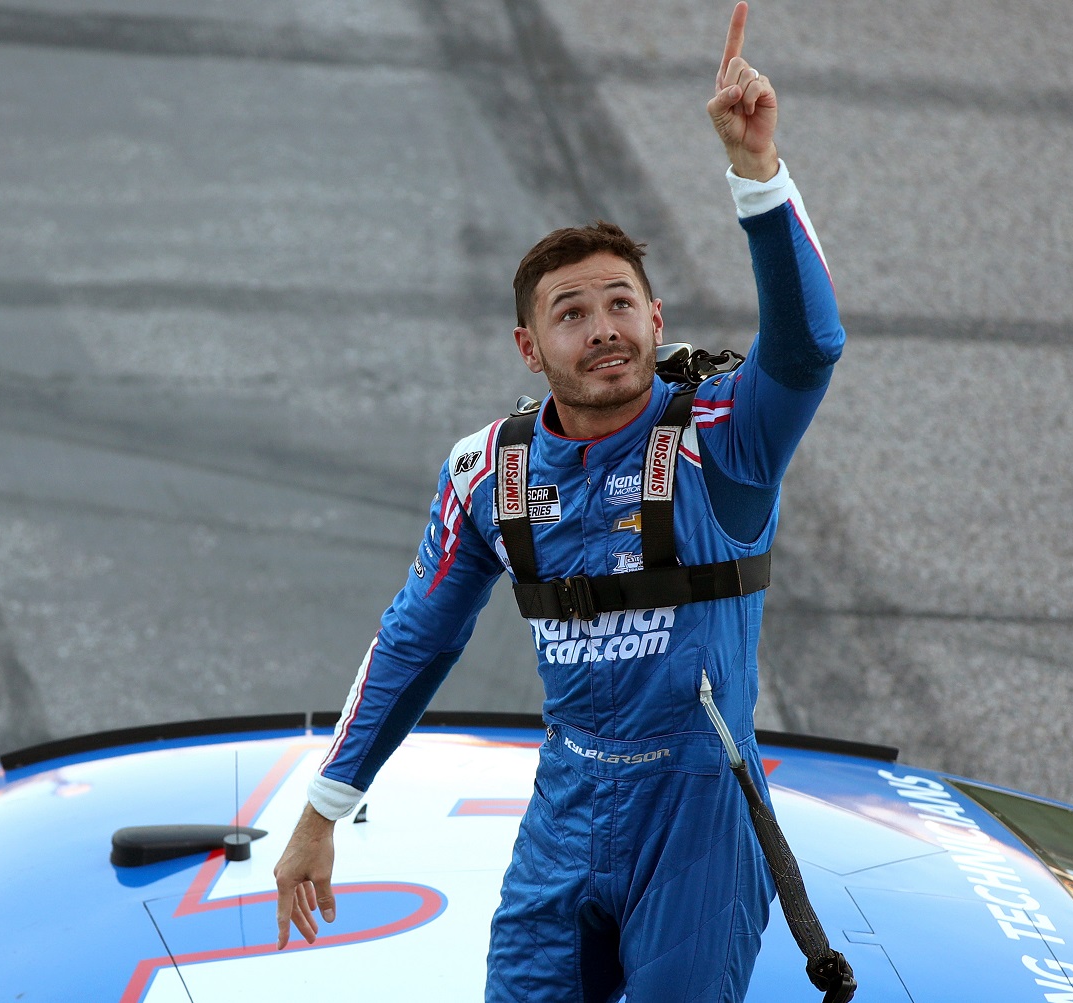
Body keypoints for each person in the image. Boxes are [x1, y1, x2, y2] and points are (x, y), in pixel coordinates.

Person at [273, 3, 845, 999]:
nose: (604, 329)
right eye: (571, 314)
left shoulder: (724, 435)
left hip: (701, 823)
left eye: (622, 302)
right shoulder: (486, 473)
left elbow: (808, 347)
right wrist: (323, 809)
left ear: (657, 318)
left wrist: (757, 171)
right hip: (566, 812)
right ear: (529, 349)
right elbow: (416, 637)